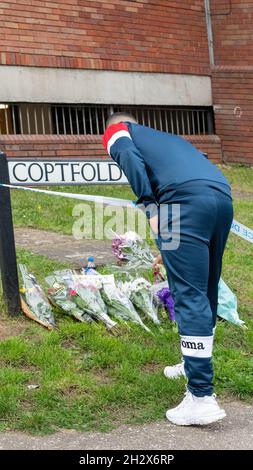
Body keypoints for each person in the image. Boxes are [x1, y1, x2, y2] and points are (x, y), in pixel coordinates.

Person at [102, 112, 233, 426]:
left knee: (189, 294)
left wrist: (149, 207)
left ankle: (201, 397)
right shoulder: (171, 140)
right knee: (205, 287)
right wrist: (170, 248)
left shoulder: (118, 130)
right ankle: (193, 365)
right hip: (221, 197)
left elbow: (129, 159)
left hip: (181, 203)